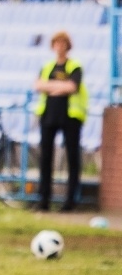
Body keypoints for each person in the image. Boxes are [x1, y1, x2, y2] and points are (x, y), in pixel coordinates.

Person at [32, 31, 89, 212]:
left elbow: (72, 87)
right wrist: (59, 88)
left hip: (70, 117)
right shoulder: (48, 66)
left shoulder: (75, 66)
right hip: (48, 115)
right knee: (46, 158)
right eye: (57, 43)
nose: (59, 46)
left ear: (67, 46)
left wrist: (51, 87)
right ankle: (44, 200)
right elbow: (38, 85)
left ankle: (70, 201)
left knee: (72, 158)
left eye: (63, 43)